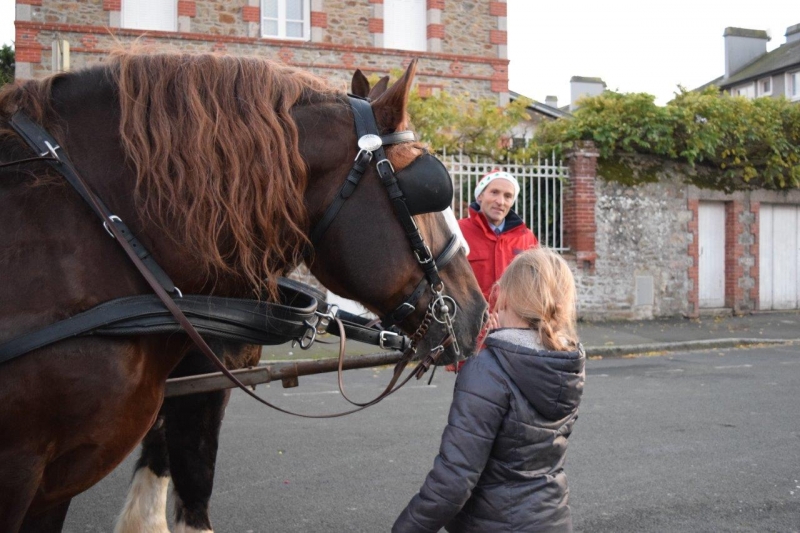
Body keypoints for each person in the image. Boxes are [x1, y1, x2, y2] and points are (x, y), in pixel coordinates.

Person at [393, 247, 585, 533]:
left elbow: (454, 481)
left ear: (506, 296)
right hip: (552, 520)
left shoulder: (487, 369)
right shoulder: (567, 362)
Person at [458, 169, 539, 303]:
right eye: (494, 192)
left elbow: (536, 283)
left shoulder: (526, 237)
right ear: (480, 196)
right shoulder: (458, 232)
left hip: (513, 321)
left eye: (508, 196)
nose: (500, 201)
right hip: (471, 321)